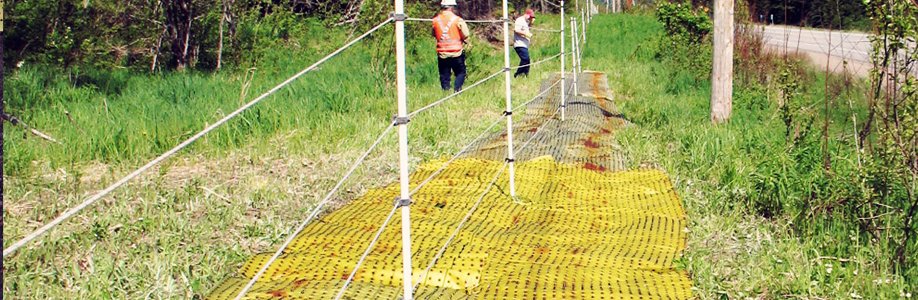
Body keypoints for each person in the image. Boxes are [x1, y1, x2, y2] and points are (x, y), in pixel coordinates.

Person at [432, 0, 471, 92]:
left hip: (442, 53)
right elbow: (465, 34)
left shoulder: (435, 20)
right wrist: (467, 42)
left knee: (444, 75)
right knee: (460, 72)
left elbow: (434, 34)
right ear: (452, 7)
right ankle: (457, 91)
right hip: (456, 52)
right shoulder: (457, 20)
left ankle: (445, 92)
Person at [513, 9, 535, 78]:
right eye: (530, 17)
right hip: (519, 44)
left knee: (527, 60)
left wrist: (531, 23)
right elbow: (516, 30)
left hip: (524, 44)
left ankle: (525, 75)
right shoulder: (520, 20)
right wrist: (526, 34)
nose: (530, 18)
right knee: (525, 59)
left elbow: (526, 30)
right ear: (526, 14)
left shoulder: (525, 22)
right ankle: (518, 74)